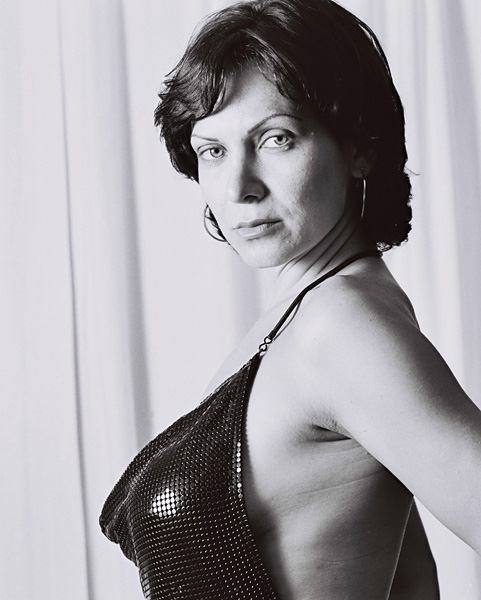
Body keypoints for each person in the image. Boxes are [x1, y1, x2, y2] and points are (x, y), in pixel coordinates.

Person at [100, 1, 481, 598]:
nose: (238, 188)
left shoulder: (342, 328)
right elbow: (412, 583)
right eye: (213, 150)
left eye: (275, 139)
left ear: (359, 147)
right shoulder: (304, 315)